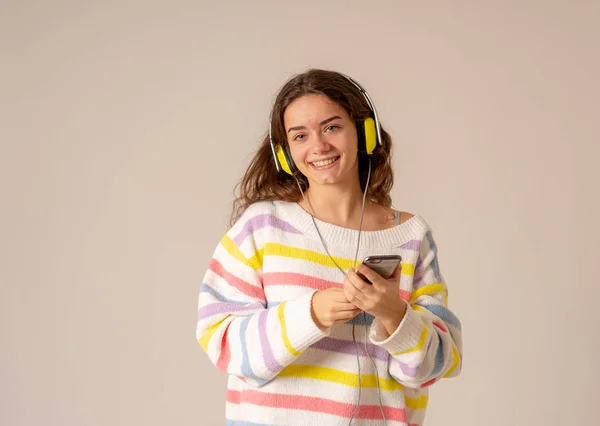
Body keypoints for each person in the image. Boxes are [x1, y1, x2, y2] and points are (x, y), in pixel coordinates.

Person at [196, 69, 463, 426]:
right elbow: (224, 344)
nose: (319, 146)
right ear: (285, 152)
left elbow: (439, 364)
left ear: (364, 133)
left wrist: (393, 314)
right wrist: (312, 313)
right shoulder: (261, 229)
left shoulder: (410, 235)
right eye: (300, 135)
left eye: (332, 127)